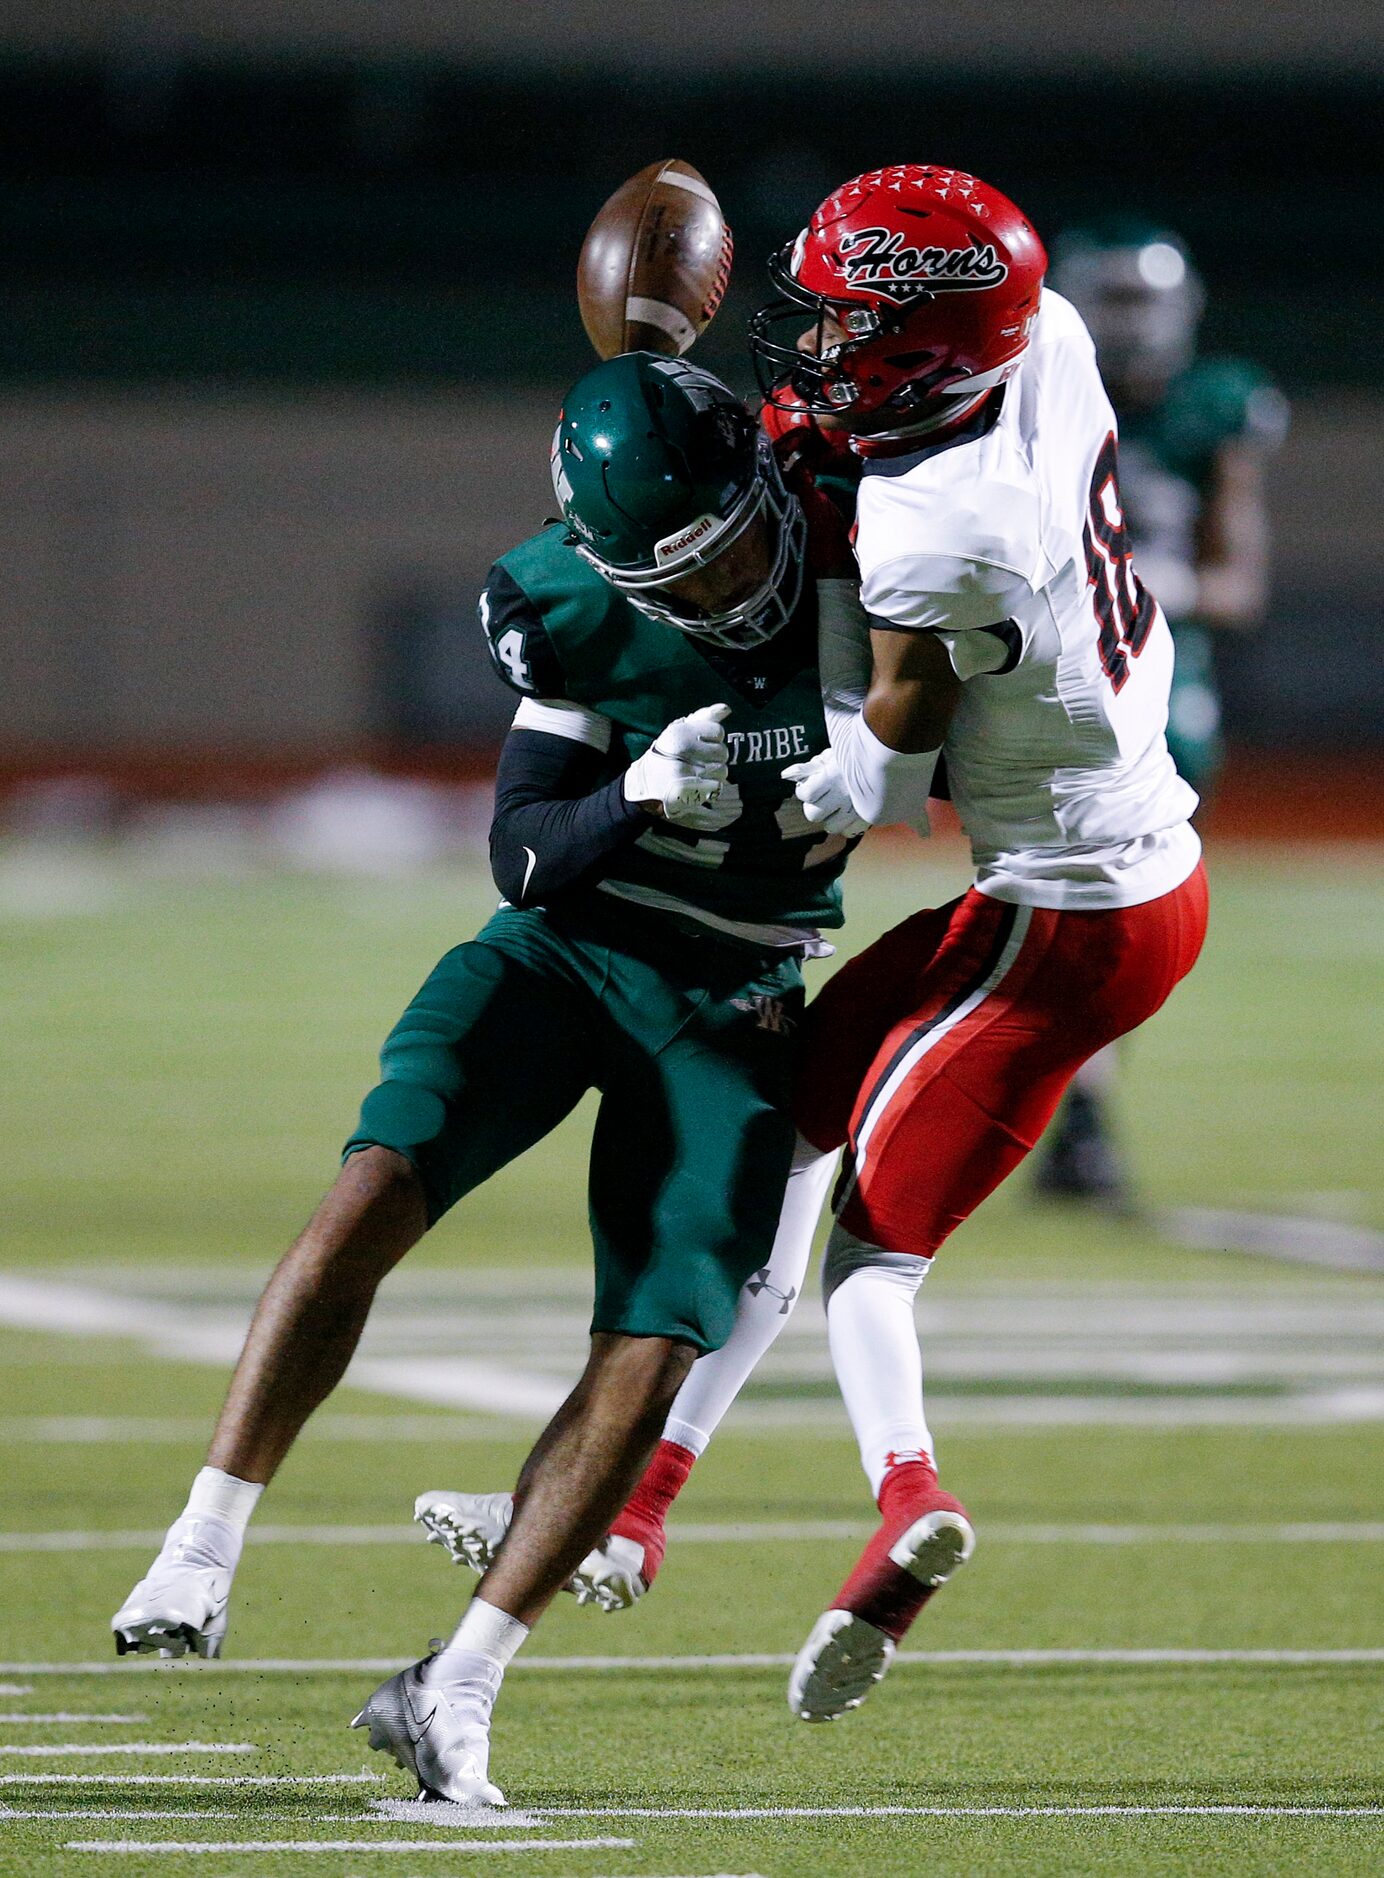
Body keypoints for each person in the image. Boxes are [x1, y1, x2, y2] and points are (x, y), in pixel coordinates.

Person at [110, 352, 868, 1802]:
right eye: (677, 582)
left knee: (658, 1342)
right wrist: (635, 792)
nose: (719, 599)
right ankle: (201, 1540)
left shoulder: (880, 554)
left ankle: (458, 1686)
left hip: (737, 988)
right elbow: (523, 851)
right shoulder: (572, 597)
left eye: (730, 554)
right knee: (379, 1178)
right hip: (567, 951)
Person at [745, 163, 1209, 1720]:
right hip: (1122, 868)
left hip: (1067, 910)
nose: (811, 336)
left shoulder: (941, 531)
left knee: (874, 1262)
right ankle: (645, 1486)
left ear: (925, 344)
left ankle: (902, 1504)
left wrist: (700, 765)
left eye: (845, 317)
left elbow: (870, 778)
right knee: (806, 1090)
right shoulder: (1045, 332)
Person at [1030, 217, 1287, 1202]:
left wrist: (1156, 586)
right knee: (1066, 904)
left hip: (1166, 691)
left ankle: (1078, 1113)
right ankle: (1076, 1119)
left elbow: (1238, 583)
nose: (1136, 326)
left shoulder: (1211, 409)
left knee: (1117, 920)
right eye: (1119, 303)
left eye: (1149, 302)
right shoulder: (1040, 398)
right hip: (1053, 678)